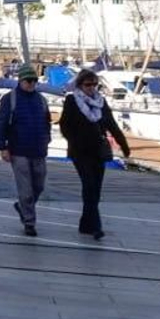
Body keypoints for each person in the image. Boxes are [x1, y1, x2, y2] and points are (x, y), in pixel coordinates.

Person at [59, 68, 131, 241]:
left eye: (94, 84)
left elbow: (112, 125)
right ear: (80, 85)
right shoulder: (72, 100)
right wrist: (74, 141)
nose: (91, 88)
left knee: (95, 190)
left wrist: (124, 145)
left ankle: (85, 224)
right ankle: (96, 227)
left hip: (98, 151)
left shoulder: (101, 102)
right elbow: (64, 125)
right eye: (87, 84)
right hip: (80, 152)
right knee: (89, 186)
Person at [0, 66, 52, 237]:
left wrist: (47, 138)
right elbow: (2, 123)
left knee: (39, 185)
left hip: (38, 149)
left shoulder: (41, 99)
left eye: (35, 81)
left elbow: (47, 120)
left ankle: (22, 207)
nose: (32, 84)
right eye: (29, 81)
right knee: (25, 189)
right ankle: (29, 222)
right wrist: (2, 147)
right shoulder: (10, 99)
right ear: (20, 81)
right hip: (18, 149)